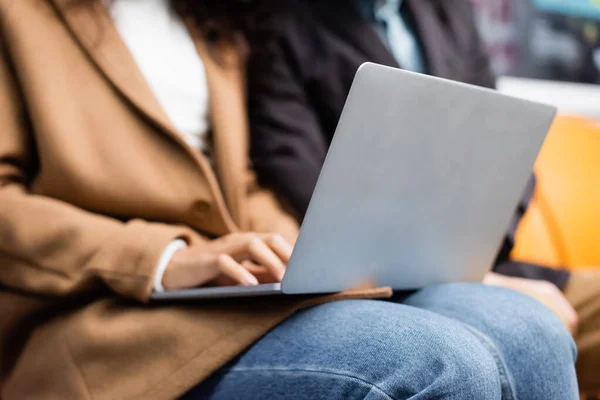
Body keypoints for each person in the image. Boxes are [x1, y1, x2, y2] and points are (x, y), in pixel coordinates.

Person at [0, 0, 579, 399]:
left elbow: (244, 184)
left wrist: (308, 258)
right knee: (439, 363)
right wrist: (165, 257)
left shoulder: (213, 22)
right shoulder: (21, 18)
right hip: (103, 326)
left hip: (233, 300)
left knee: (530, 330)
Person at [247, 0, 600, 392]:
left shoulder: (449, 10)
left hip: (489, 263)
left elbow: (508, 150)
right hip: (385, 287)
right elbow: (314, 197)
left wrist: (478, 260)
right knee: (516, 339)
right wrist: (480, 278)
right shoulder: (281, 27)